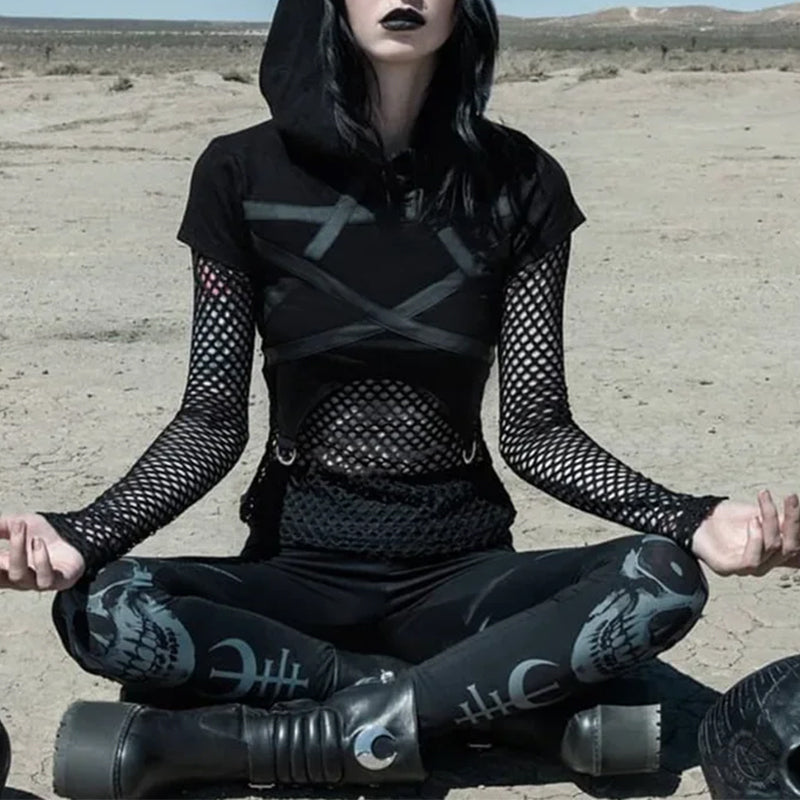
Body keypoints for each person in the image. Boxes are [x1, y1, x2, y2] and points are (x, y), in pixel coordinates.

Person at [1, 0, 799, 797]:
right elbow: (209, 422)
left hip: (464, 581)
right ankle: (486, 709)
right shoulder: (239, 173)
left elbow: (537, 430)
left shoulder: (520, 180)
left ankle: (267, 738)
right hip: (295, 581)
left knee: (664, 578)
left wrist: (691, 519)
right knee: (99, 606)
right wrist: (85, 531)